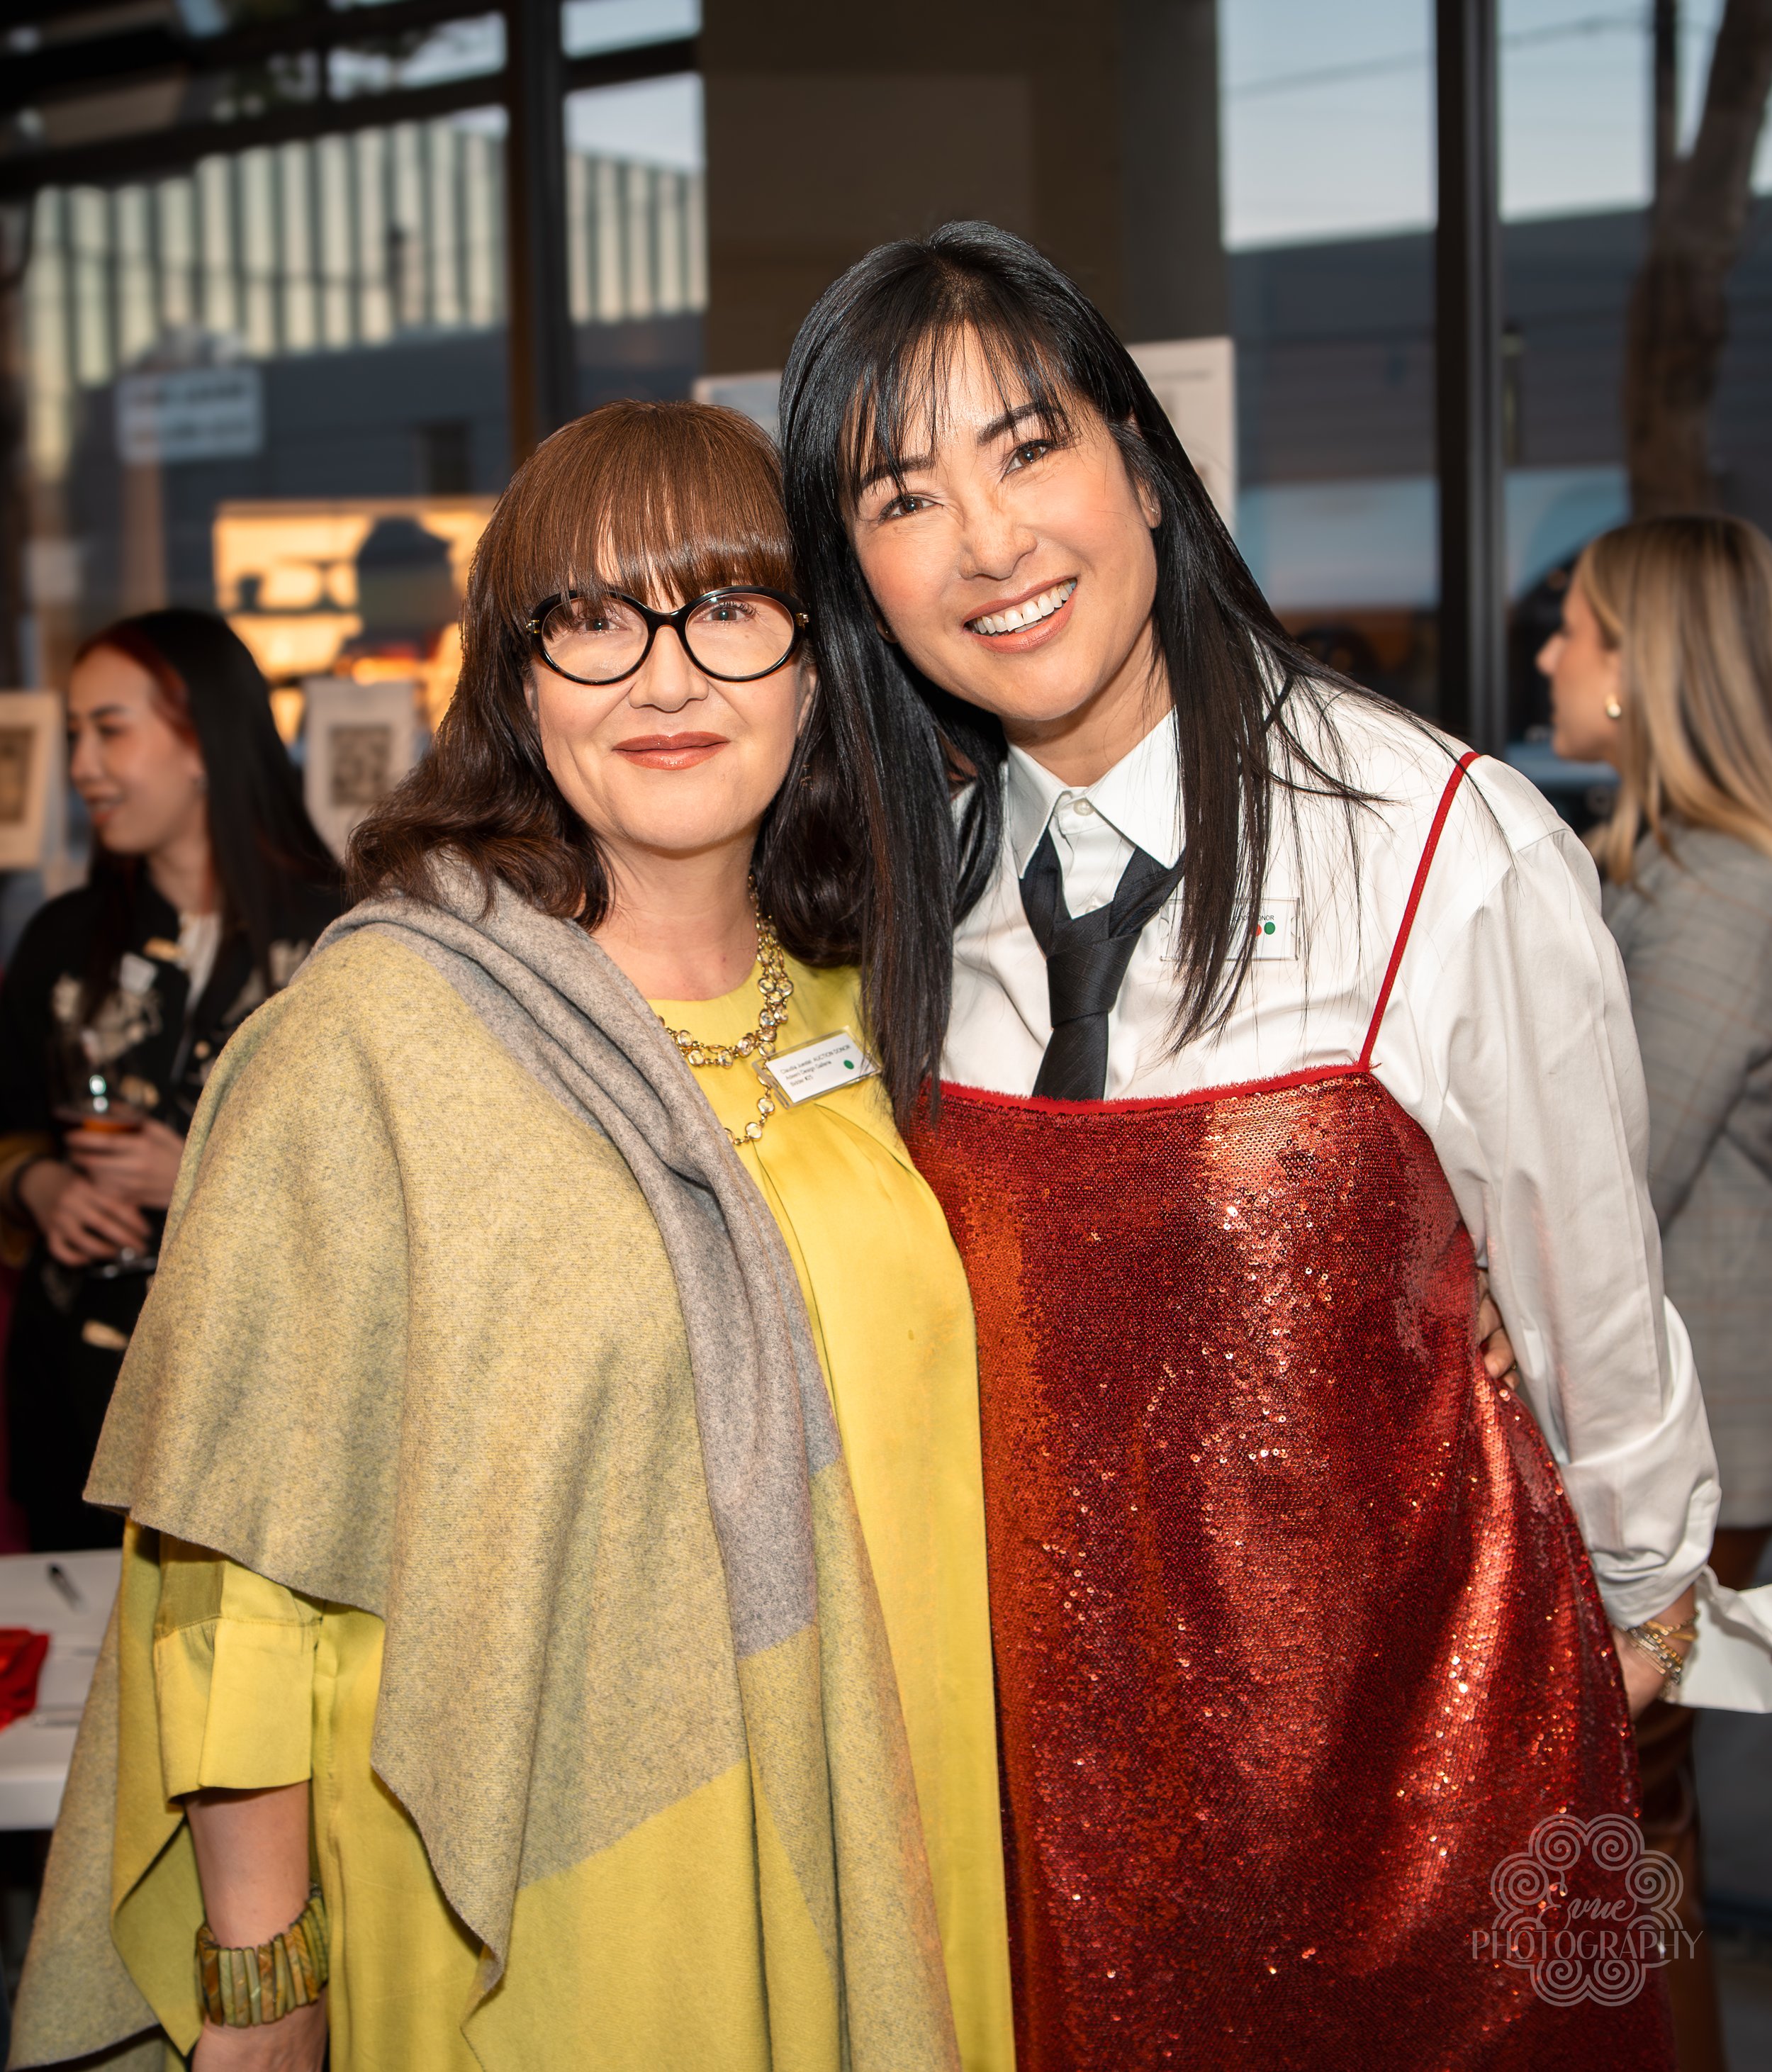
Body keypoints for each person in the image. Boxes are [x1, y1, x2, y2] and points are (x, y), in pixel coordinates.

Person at [778, 221, 1727, 2070]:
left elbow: (1592, 1306)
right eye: (902, 495)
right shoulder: (896, 918)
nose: (985, 540)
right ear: (856, 574)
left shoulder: (1433, 842)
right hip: (1038, 1803)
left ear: (1137, 457)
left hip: (1416, 1781)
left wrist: (1633, 1624)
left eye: (1025, 445)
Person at [11, 402, 1011, 2072]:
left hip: (896, 1823)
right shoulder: (380, 1038)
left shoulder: (891, 1010)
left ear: (816, 666)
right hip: (543, 1907)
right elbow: (236, 1558)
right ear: (517, 682)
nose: (666, 678)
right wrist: (265, 1981)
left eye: (728, 607)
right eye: (593, 619)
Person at [1541, 512, 1772, 2072]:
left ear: (1642, 674)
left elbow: (1616, 1174)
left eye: (1577, 628)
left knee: (1638, 1802)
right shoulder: (1664, 874)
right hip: (1683, 1417)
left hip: (1705, 1436)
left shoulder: (1717, 897)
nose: (1550, 654)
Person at [0, 610, 341, 1551]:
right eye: (73, 735)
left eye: (109, 730)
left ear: (201, 740)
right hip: (77, 1392)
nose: (81, 766)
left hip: (268, 1406)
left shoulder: (345, 939)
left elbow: (391, 1180)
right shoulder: (63, 940)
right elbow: (13, 1117)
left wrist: (199, 1169)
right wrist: (43, 1186)